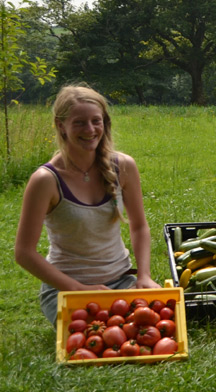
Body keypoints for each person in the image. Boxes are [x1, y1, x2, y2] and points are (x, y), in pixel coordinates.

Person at [14, 84, 159, 325]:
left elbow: (139, 226)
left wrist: (143, 275)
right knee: (95, 339)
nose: (90, 129)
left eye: (96, 121)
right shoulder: (46, 180)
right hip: (67, 288)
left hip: (122, 281)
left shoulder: (123, 166)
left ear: (105, 122)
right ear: (61, 125)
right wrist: (78, 288)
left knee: (148, 331)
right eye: (79, 122)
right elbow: (24, 253)